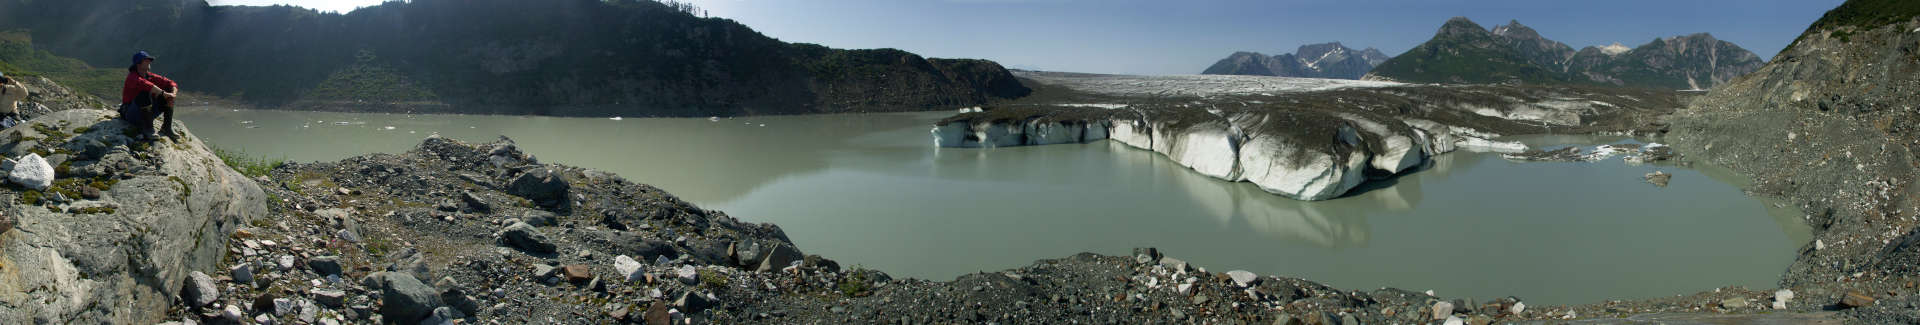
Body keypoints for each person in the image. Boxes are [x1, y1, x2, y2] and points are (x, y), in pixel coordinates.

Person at [121, 50, 178, 140]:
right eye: (146, 60)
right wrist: (164, 93)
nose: (149, 62)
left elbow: (170, 82)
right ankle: (148, 129)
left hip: (146, 113)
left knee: (168, 96)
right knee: (144, 94)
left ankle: (166, 128)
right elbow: (146, 85)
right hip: (131, 114)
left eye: (149, 60)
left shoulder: (150, 76)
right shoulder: (132, 77)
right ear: (138, 64)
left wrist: (172, 94)